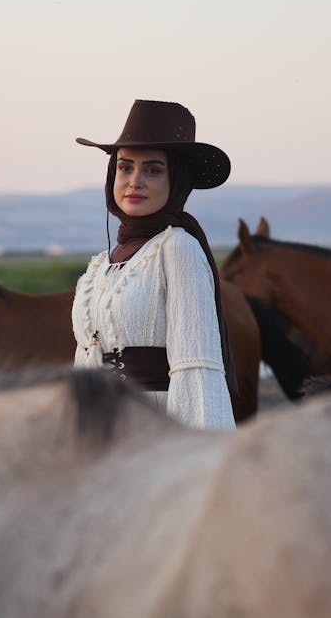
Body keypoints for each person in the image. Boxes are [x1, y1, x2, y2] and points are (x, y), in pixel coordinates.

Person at [72, 99, 237, 429]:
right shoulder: (101, 265)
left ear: (176, 181)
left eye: (153, 170)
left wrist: (193, 457)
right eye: (125, 167)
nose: (135, 181)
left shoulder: (178, 249)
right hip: (99, 429)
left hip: (154, 428)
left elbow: (195, 366)